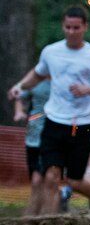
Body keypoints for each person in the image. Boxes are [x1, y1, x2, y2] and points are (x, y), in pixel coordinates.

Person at [7, 6, 90, 215]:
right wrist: (20, 87)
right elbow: (38, 74)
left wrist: (88, 89)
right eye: (68, 27)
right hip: (54, 121)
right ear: (62, 27)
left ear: (85, 27)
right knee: (51, 176)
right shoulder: (51, 52)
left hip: (81, 125)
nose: (72, 32)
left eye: (76, 28)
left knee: (74, 181)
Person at [13, 81, 51, 215]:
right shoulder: (35, 80)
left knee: (42, 181)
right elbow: (19, 96)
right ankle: (32, 221)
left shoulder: (61, 80)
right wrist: (19, 112)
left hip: (52, 139)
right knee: (37, 182)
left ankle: (38, 218)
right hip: (33, 140)